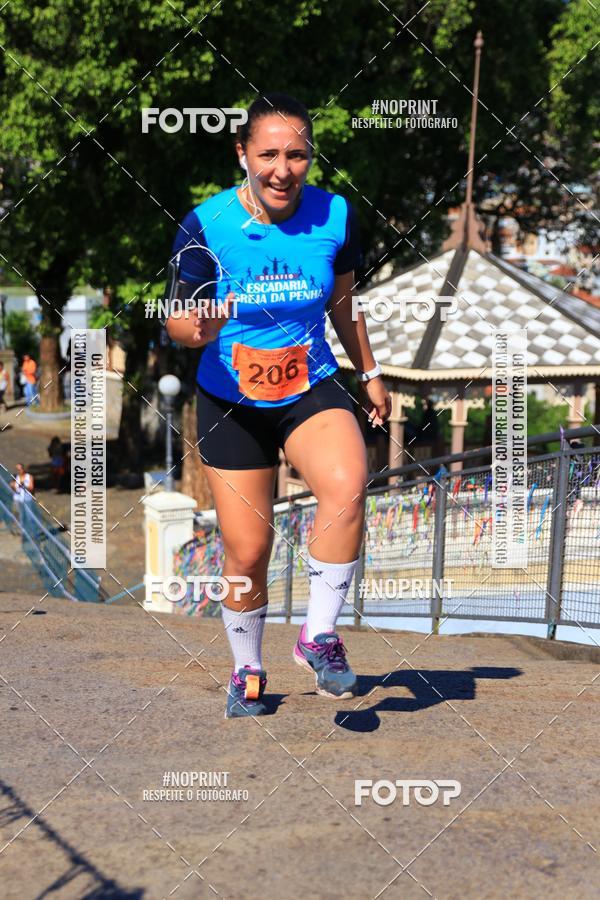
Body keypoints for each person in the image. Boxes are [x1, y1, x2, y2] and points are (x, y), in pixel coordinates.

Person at [166, 93, 391, 719]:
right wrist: (200, 327)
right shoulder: (206, 225)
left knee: (348, 484)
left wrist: (368, 372)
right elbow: (176, 324)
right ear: (242, 154)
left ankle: (318, 638)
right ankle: (248, 670)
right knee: (247, 551)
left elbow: (344, 303)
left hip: (308, 384)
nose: (282, 169)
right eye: (268, 154)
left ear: (310, 158)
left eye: (297, 155)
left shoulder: (336, 216)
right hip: (231, 399)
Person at [10, 463, 35, 533]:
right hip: (17, 499)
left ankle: (31, 530)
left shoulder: (29, 476)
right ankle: (22, 531)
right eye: (17, 469)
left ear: (23, 469)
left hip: (27, 498)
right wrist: (13, 485)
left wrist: (24, 486)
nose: (18, 471)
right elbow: (13, 487)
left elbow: (31, 488)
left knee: (29, 515)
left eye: (19, 469)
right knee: (19, 515)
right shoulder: (15, 477)